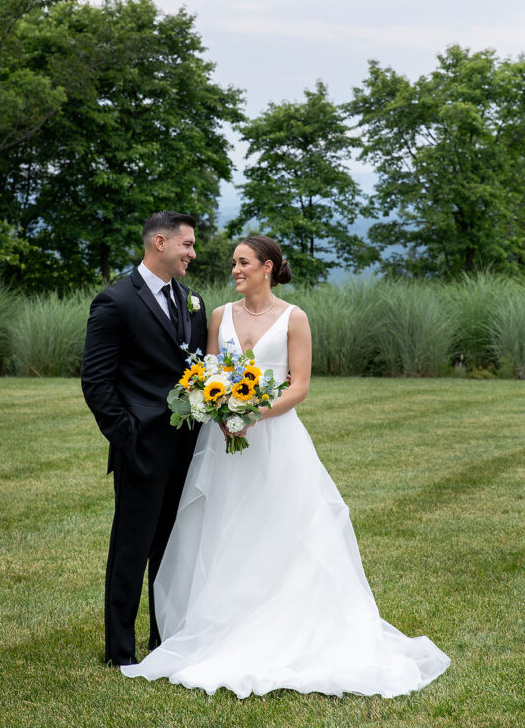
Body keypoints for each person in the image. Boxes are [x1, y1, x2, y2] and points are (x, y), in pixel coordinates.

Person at [121, 235, 451, 697]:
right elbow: (210, 372)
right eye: (233, 263)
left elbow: (298, 386)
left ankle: (287, 625)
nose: (234, 270)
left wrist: (252, 413)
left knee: (281, 529)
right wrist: (222, 412)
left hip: (277, 440)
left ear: (268, 267)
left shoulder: (295, 318)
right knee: (223, 529)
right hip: (225, 444)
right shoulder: (219, 316)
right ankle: (223, 624)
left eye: (243, 262)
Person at [81, 211, 207, 668]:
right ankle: (120, 652)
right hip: (140, 448)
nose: (193, 254)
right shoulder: (115, 301)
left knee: (171, 550)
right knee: (130, 550)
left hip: (186, 449)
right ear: (160, 242)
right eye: (187, 245)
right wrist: (128, 435)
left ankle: (164, 642)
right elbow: (96, 382)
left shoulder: (192, 301)